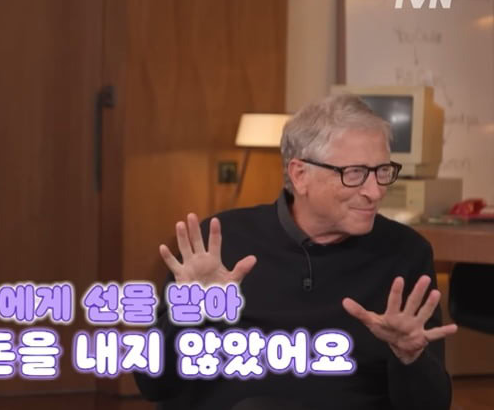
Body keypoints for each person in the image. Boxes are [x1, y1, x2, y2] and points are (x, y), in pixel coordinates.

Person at [134, 95, 457, 410]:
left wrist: (410, 357)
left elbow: (432, 404)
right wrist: (189, 312)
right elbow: (153, 384)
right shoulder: (221, 242)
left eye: (382, 171)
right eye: (355, 173)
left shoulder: (405, 252)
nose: (374, 192)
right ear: (300, 175)